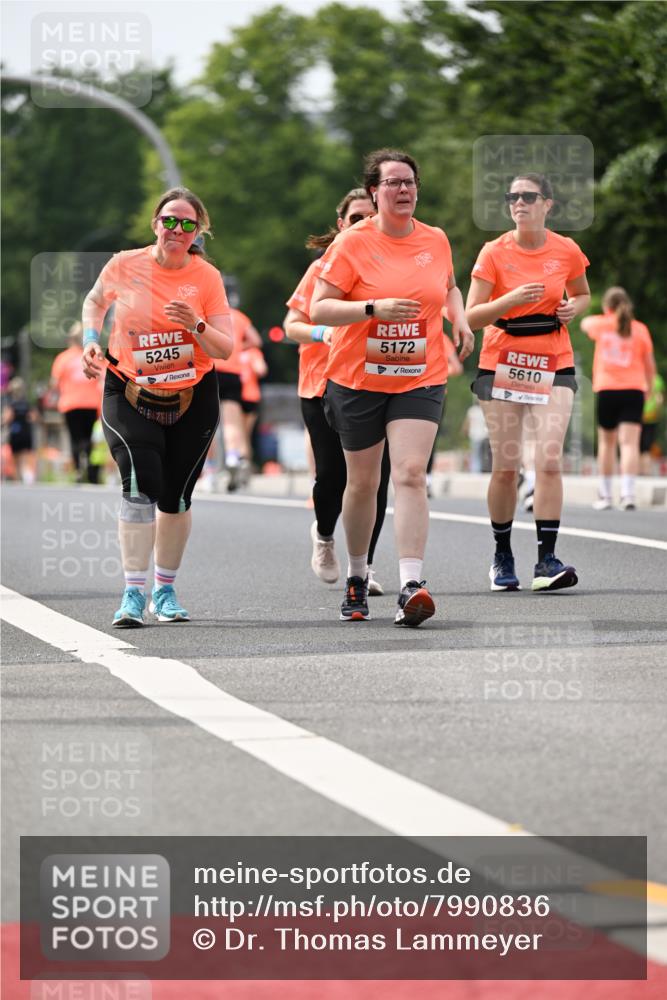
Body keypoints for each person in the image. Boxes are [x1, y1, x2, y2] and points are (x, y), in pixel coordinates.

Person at [310, 150, 474, 625]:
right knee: (364, 482)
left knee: (410, 473)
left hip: (419, 375)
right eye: (393, 183)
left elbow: (448, 286)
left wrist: (458, 319)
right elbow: (320, 308)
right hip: (357, 377)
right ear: (374, 192)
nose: (403, 190)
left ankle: (411, 584)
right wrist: (371, 310)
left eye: (409, 182)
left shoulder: (435, 239)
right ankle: (358, 575)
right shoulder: (354, 243)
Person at [81, 186, 233, 627]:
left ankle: (164, 591)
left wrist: (196, 323)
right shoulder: (125, 264)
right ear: (155, 224)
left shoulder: (207, 278)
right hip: (127, 390)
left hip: (193, 395)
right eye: (169, 220)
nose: (177, 230)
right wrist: (91, 341)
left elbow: (223, 348)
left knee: (176, 497)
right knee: (139, 481)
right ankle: (132, 594)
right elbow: (94, 302)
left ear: (197, 231)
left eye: (188, 224)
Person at [465, 173, 590, 592]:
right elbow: (471, 316)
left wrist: (575, 308)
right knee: (506, 466)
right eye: (512, 197)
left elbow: (583, 292)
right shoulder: (494, 252)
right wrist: (509, 300)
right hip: (503, 359)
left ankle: (546, 559)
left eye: (528, 196)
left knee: (549, 458)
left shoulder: (566, 249)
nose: (519, 203)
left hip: (554, 359)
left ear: (547, 204)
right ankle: (502, 556)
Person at [284, 187, 390, 595]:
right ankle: (325, 535)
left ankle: (363, 569)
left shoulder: (390, 266)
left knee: (374, 481)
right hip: (322, 384)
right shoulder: (322, 269)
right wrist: (323, 331)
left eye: (370, 217)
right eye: (355, 218)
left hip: (375, 382)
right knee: (333, 476)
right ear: (340, 223)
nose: (362, 225)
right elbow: (292, 324)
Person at [581, 287, 657, 509]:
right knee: (630, 444)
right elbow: (649, 366)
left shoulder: (602, 326)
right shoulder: (640, 330)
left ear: (607, 307)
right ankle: (628, 494)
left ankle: (605, 495)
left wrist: (607, 318)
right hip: (634, 390)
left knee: (607, 443)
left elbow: (585, 324)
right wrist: (649, 390)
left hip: (607, 389)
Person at [213, 307, 263, 491]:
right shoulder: (240, 317)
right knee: (232, 424)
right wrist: (236, 347)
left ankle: (211, 470)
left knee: (207, 424)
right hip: (232, 372)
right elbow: (256, 340)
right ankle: (233, 456)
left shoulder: (207, 312)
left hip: (211, 368)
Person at [50, 322, 103, 482]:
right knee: (89, 438)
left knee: (75, 438)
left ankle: (79, 470)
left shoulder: (62, 358)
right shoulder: (94, 356)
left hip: (70, 404)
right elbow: (103, 380)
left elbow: (54, 384)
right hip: (92, 404)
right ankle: (90, 469)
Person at [239, 342, 268, 470]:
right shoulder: (253, 352)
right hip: (251, 396)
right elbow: (261, 370)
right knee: (245, 435)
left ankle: (240, 466)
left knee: (236, 434)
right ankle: (245, 467)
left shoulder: (231, 351)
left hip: (235, 396)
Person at [2, 377, 36, 483]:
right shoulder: (27, 403)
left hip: (15, 433)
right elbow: (33, 417)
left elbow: (7, 418)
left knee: (16, 459)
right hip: (26, 433)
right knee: (26, 456)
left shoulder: (11, 404)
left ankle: (18, 480)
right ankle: (27, 477)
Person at [640, 372, 665, 475]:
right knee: (647, 445)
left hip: (637, 416)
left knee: (636, 444)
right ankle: (646, 470)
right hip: (651, 416)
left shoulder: (638, 375)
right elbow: (660, 399)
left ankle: (637, 470)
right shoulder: (657, 379)